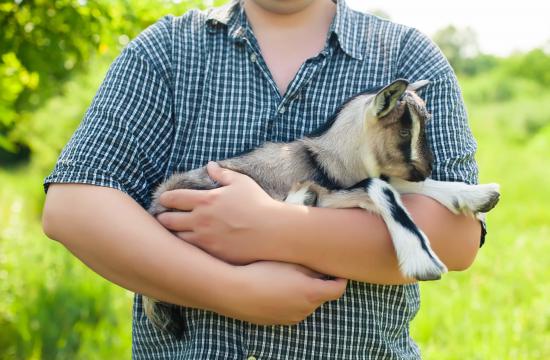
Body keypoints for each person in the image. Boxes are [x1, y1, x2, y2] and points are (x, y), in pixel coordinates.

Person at [42, 0, 485, 358]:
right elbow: (73, 207)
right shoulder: (165, 52)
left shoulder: (405, 56)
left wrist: (272, 229)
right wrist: (229, 289)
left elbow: (457, 239)